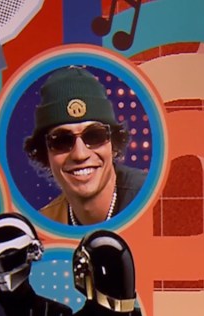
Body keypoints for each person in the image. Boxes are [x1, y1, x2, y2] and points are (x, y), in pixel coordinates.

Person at [23, 66, 147, 225]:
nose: (80, 154)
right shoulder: (45, 225)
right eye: (62, 141)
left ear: (113, 144)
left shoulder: (151, 201)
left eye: (94, 136)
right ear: (45, 153)